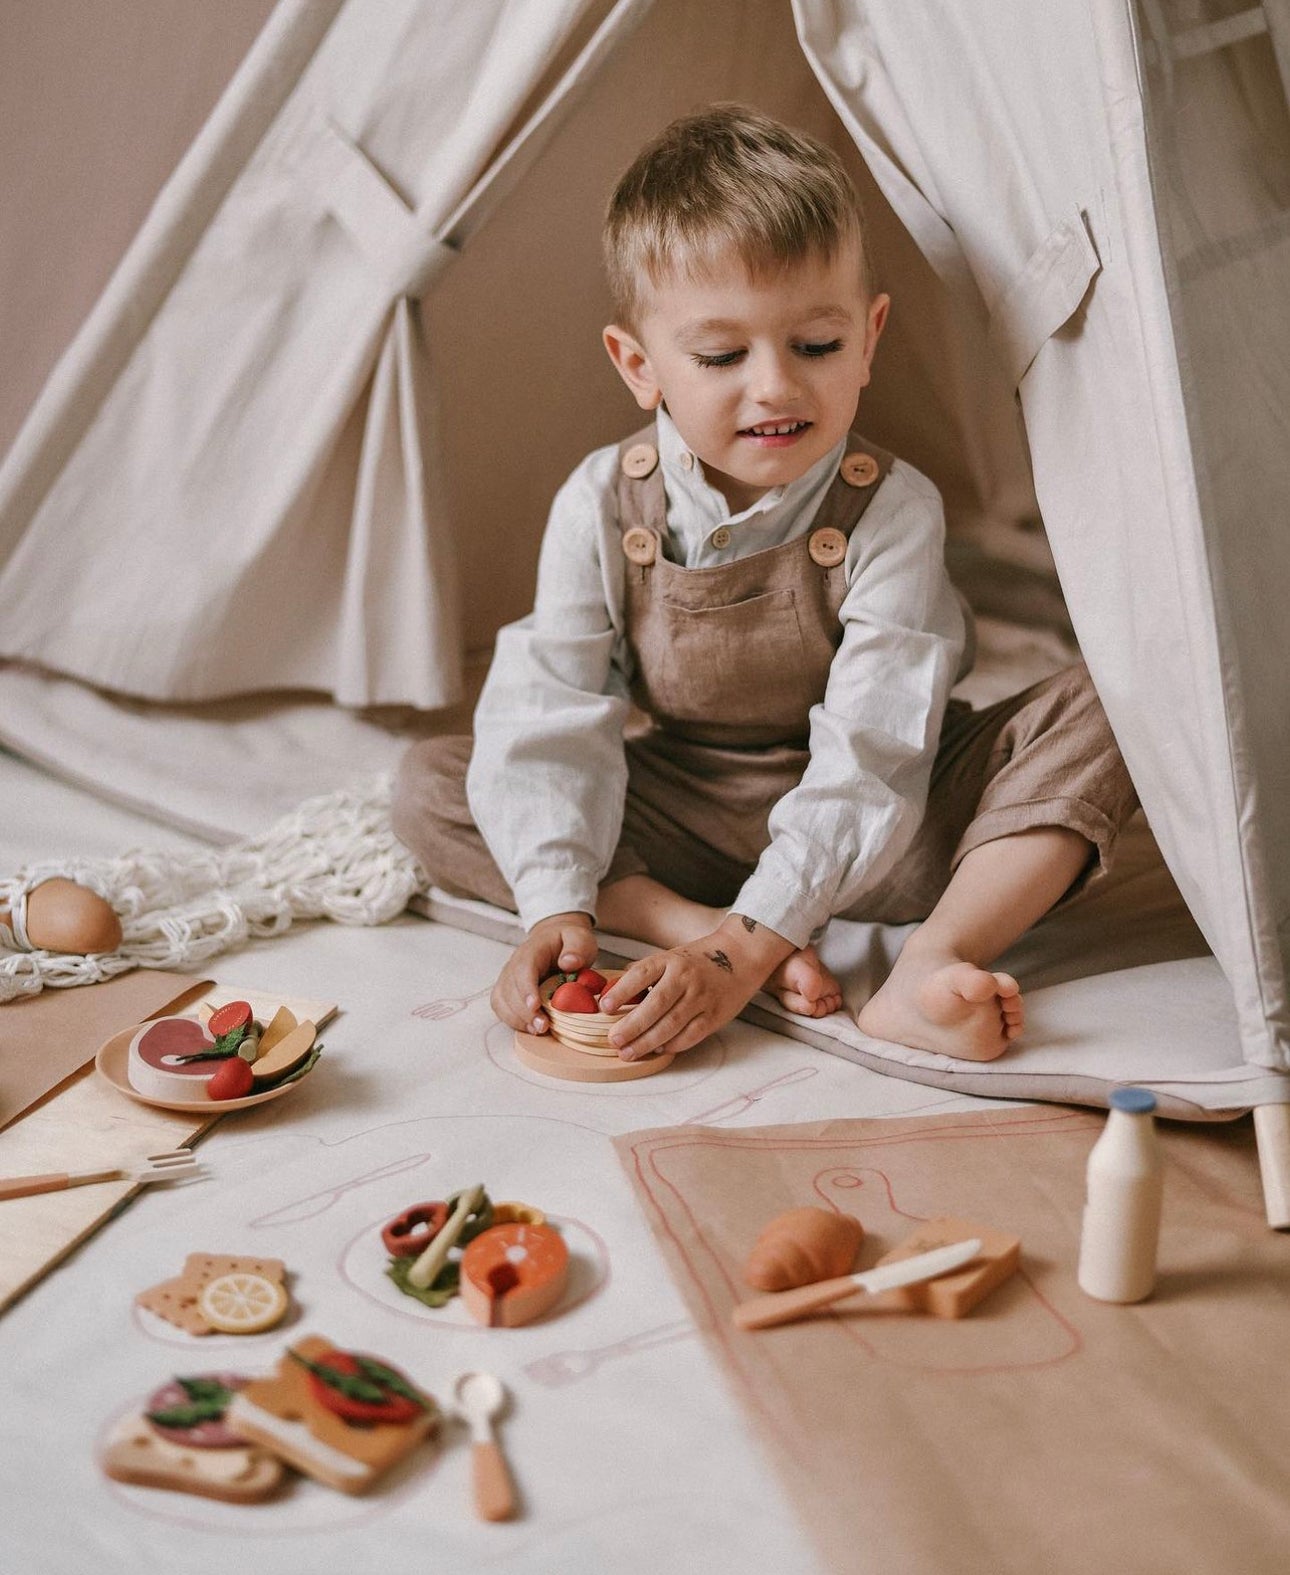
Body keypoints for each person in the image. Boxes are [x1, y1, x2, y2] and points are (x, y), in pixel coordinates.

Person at [392, 105, 1138, 1065]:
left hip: (889, 825)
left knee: (1123, 697)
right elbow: (553, 709)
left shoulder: (891, 510)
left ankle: (932, 958)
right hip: (688, 812)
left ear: (869, 339)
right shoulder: (602, 503)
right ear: (640, 365)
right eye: (720, 356)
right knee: (437, 785)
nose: (777, 387)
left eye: (817, 347)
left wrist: (753, 944)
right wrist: (556, 904)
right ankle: (682, 919)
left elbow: (877, 750)